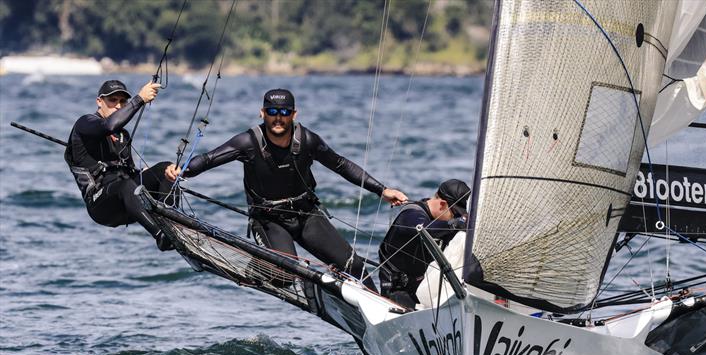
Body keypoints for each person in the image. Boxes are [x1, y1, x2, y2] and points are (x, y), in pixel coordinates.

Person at [165, 89, 406, 291]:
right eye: (271, 112)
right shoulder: (248, 142)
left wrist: (381, 190)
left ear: (293, 114)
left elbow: (340, 164)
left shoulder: (308, 140)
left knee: (355, 267)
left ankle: (382, 309)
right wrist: (182, 170)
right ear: (262, 113)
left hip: (306, 214)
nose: (278, 118)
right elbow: (209, 159)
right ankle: (256, 267)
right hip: (269, 220)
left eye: (284, 113)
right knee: (285, 277)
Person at [65, 79, 176, 251]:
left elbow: (129, 173)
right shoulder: (85, 123)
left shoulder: (123, 135)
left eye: (123, 101)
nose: (118, 105)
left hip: (128, 201)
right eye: (113, 100)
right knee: (124, 185)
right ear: (99, 101)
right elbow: (108, 126)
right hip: (100, 204)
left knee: (166, 169)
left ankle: (172, 224)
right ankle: (161, 236)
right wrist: (139, 99)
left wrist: (142, 173)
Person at [378, 179, 470, 309]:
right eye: (454, 215)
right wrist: (458, 223)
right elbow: (424, 229)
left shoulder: (442, 223)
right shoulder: (412, 213)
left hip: (423, 291)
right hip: (396, 293)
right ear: (442, 204)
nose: (453, 219)